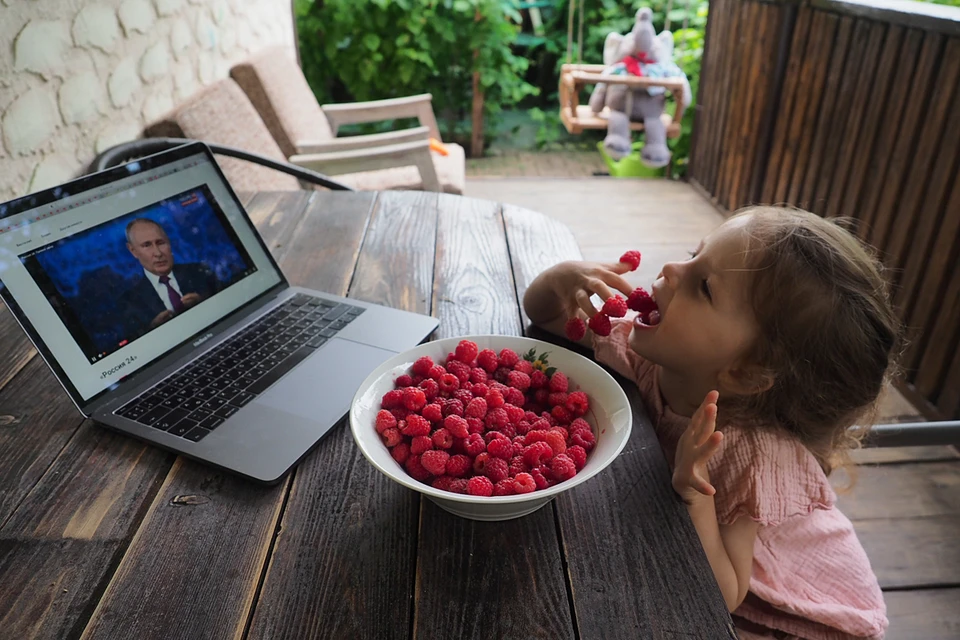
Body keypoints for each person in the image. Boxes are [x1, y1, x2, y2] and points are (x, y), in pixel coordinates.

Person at [523, 206, 899, 640]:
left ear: (744, 372)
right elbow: (545, 319)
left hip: (791, 610)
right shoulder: (645, 353)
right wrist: (561, 277)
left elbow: (727, 593)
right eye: (692, 253)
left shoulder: (753, 453)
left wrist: (694, 491)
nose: (670, 268)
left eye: (703, 286)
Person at [121, 218, 219, 338]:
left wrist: (203, 303)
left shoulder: (200, 271)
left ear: (169, 242)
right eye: (147, 245)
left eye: (160, 243)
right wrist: (154, 329)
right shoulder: (130, 302)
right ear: (133, 251)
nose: (158, 253)